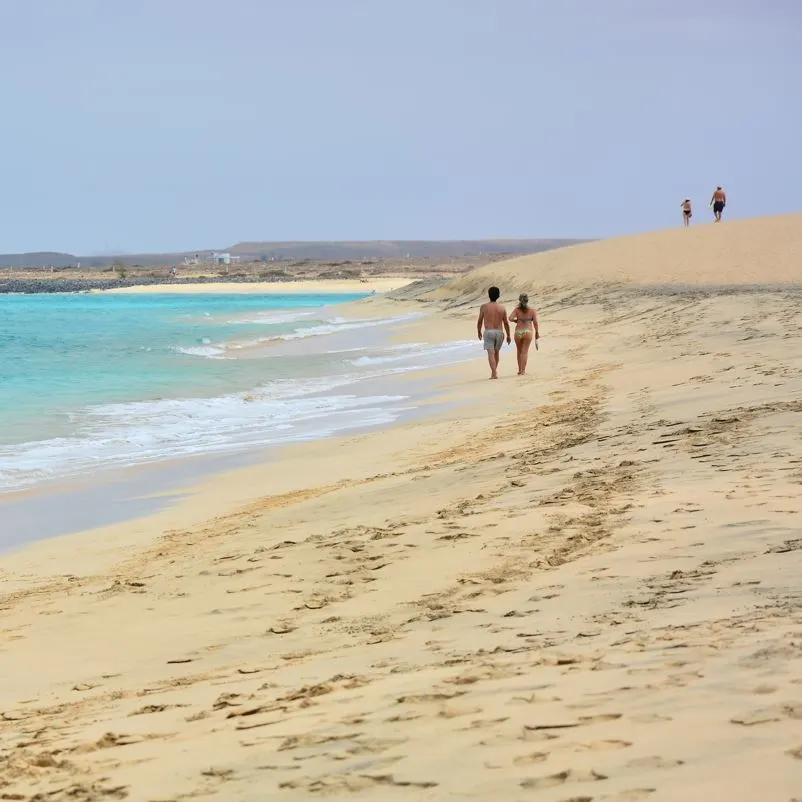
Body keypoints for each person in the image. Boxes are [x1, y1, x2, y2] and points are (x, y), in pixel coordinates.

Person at [477, 286, 511, 379]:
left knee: (491, 354)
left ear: (489, 295)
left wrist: (479, 331)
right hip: (500, 332)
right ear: (498, 295)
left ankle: (494, 373)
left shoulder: (484, 307)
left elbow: (480, 321)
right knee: (496, 353)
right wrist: (508, 335)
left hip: (489, 332)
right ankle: (494, 372)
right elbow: (506, 323)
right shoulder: (502, 308)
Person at [509, 293, 539, 375]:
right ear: (527, 300)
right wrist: (537, 332)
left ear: (519, 300)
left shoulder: (517, 310)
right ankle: (523, 371)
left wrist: (516, 321)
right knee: (525, 352)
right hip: (528, 332)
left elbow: (510, 318)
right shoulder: (532, 310)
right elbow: (535, 323)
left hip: (518, 332)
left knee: (519, 352)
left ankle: (519, 370)